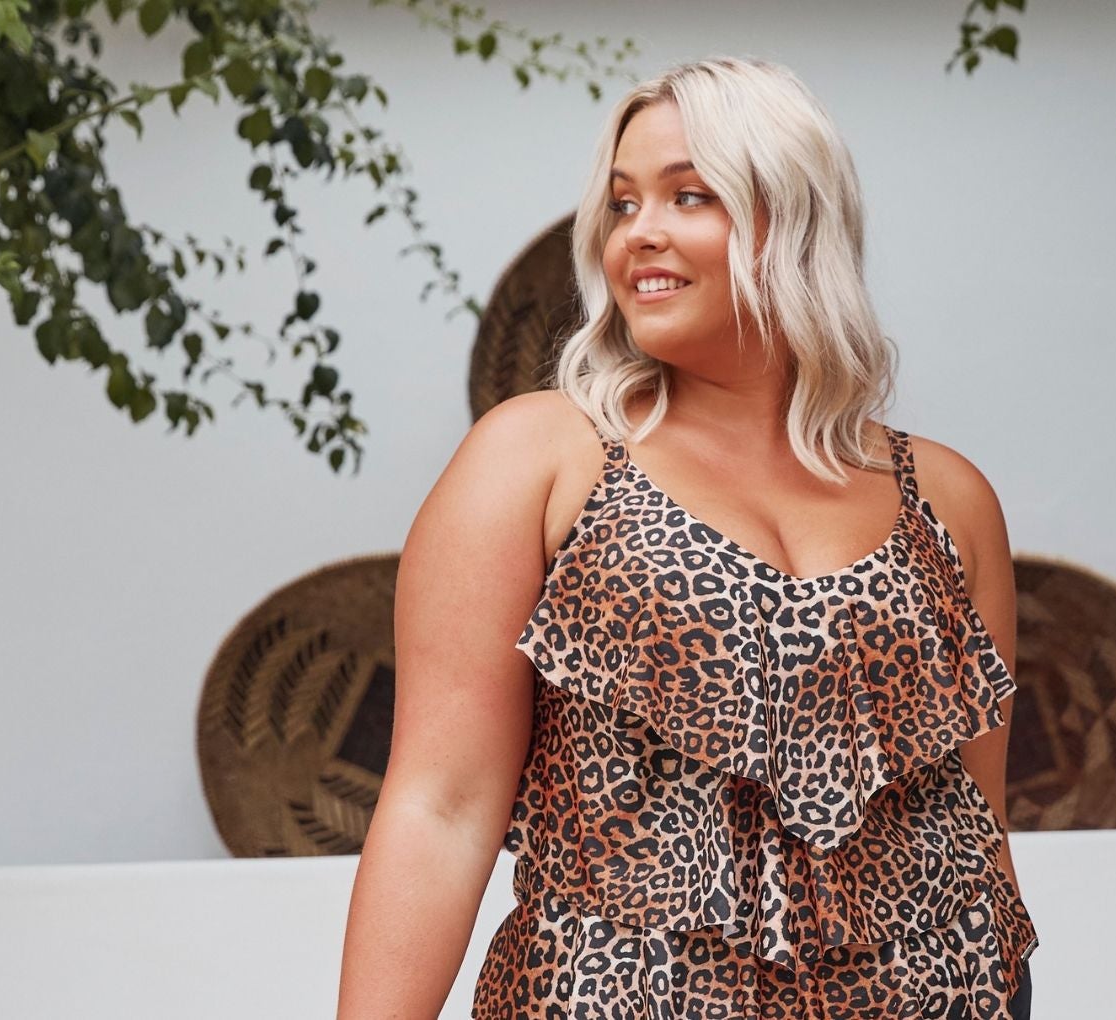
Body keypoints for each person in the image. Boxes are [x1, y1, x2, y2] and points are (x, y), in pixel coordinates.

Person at [339, 55, 1037, 1019]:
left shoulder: (947, 501)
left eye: (689, 196)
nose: (639, 236)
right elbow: (441, 809)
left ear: (792, 220)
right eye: (623, 204)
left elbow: (975, 830)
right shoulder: (541, 459)